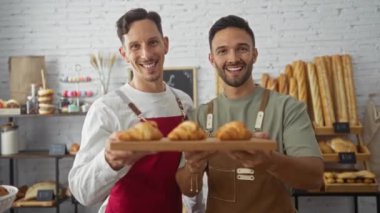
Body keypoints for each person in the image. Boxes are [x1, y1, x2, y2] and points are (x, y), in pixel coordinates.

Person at [176, 15, 324, 213]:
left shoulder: (287, 108)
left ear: (254, 54)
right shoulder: (199, 117)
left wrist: (271, 161)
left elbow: (314, 178)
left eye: (242, 49)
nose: (233, 58)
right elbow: (188, 189)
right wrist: (193, 167)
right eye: (222, 51)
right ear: (212, 59)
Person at [68, 8, 193, 213]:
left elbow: (187, 173)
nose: (146, 54)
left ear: (166, 44)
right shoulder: (107, 108)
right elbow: (81, 192)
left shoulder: (184, 103)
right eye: (135, 46)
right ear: (124, 54)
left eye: (153, 42)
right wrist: (109, 161)